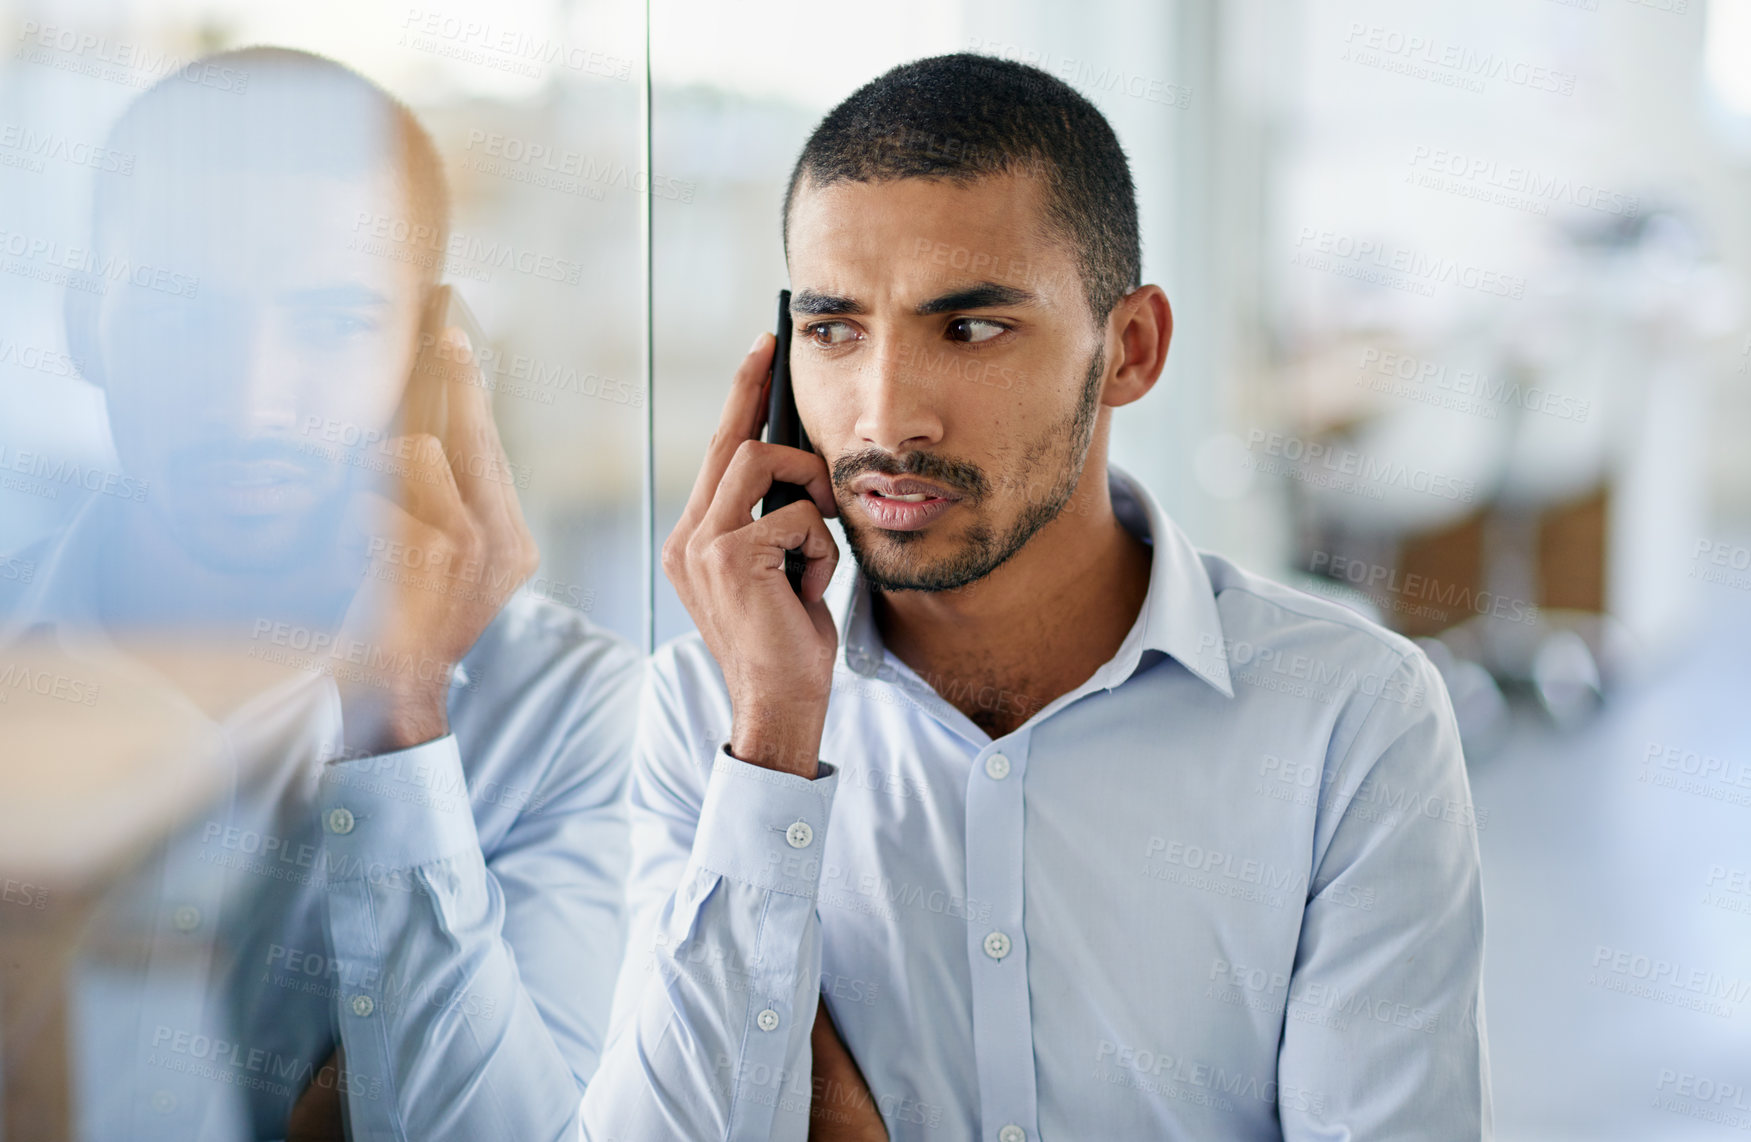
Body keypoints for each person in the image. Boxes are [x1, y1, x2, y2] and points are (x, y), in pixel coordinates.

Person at [599, 52, 1491, 1140]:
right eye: (833, 331)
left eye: (967, 327)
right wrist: (772, 746)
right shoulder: (713, 708)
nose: (886, 420)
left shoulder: (1347, 714)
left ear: (1128, 349)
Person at [2, 48, 639, 1140]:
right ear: (84, 327)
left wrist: (399, 722)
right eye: (181, 314)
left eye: (332, 321)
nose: (251, 397)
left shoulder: (571, 712)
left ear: (433, 351)